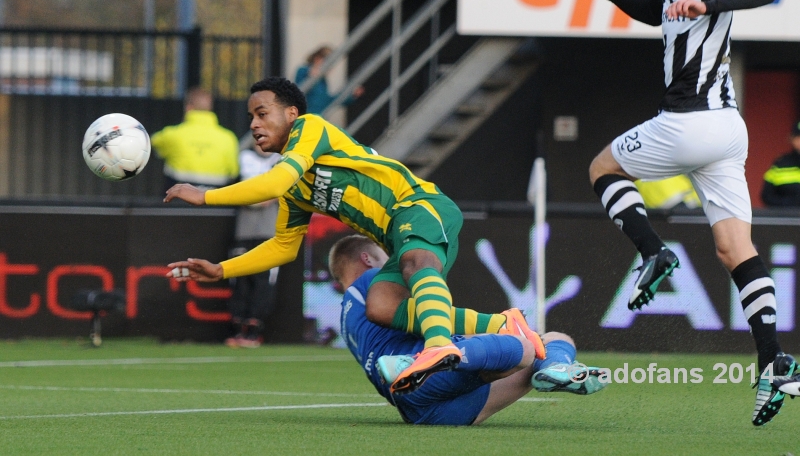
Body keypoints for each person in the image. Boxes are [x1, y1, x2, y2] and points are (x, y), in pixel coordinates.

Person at [164, 76, 543, 395]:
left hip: (418, 204)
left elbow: (274, 182)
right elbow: (283, 247)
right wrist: (222, 270)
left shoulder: (309, 129)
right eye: (251, 117)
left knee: (415, 263)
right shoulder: (297, 187)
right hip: (397, 234)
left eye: (262, 114)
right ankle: (503, 325)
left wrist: (205, 195)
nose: (254, 124)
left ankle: (438, 345)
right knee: (379, 306)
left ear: (291, 113)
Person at [578, 0, 800, 427]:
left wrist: (709, 5)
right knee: (734, 248)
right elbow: (656, 13)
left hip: (689, 124)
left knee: (602, 169)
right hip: (726, 132)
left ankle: (653, 252)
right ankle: (774, 358)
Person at [329, 234, 605, 425]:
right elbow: (433, 314)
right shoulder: (371, 279)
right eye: (383, 255)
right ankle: (416, 363)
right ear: (367, 258)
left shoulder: (348, 316)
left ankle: (557, 367)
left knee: (553, 340)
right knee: (522, 349)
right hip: (423, 380)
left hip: (421, 411)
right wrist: (494, 324)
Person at [224, 141, 283, 348]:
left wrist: (254, 196)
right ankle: (237, 328)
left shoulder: (280, 161)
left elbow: (278, 191)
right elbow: (235, 189)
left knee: (262, 281)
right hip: (244, 231)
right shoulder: (243, 159)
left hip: (268, 232)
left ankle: (254, 330)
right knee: (240, 279)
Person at [150, 87, 239, 191]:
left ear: (188, 108)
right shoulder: (229, 138)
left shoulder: (171, 134)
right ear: (210, 109)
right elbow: (234, 173)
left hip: (178, 201)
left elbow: (150, 143)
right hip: (214, 202)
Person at [294, 46, 364, 116]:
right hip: (305, 119)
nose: (331, 67)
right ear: (318, 59)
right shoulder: (303, 70)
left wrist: (351, 95)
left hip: (316, 119)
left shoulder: (322, 81)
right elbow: (298, 89)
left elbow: (327, 101)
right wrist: (309, 73)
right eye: (330, 62)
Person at [761, 121, 800, 207]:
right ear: (792, 139)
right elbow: (766, 196)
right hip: (787, 218)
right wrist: (790, 205)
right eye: (798, 137)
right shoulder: (780, 164)